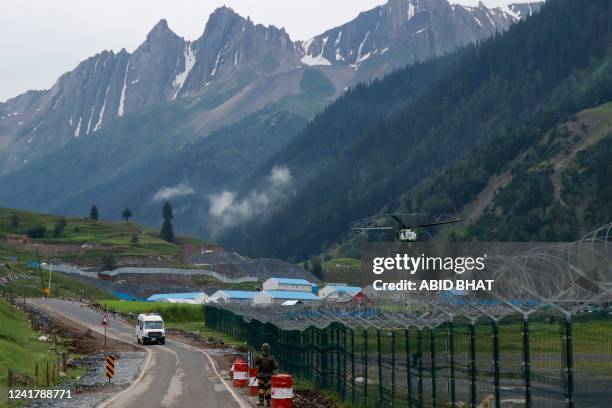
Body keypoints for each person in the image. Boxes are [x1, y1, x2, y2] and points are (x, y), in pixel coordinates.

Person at [254, 343, 279, 407]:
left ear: (262, 349)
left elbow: (256, 365)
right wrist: (274, 374)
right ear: (269, 350)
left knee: (261, 389)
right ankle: (268, 403)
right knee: (268, 389)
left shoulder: (259, 357)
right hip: (269, 377)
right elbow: (276, 367)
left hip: (261, 376)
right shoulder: (272, 358)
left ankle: (261, 402)